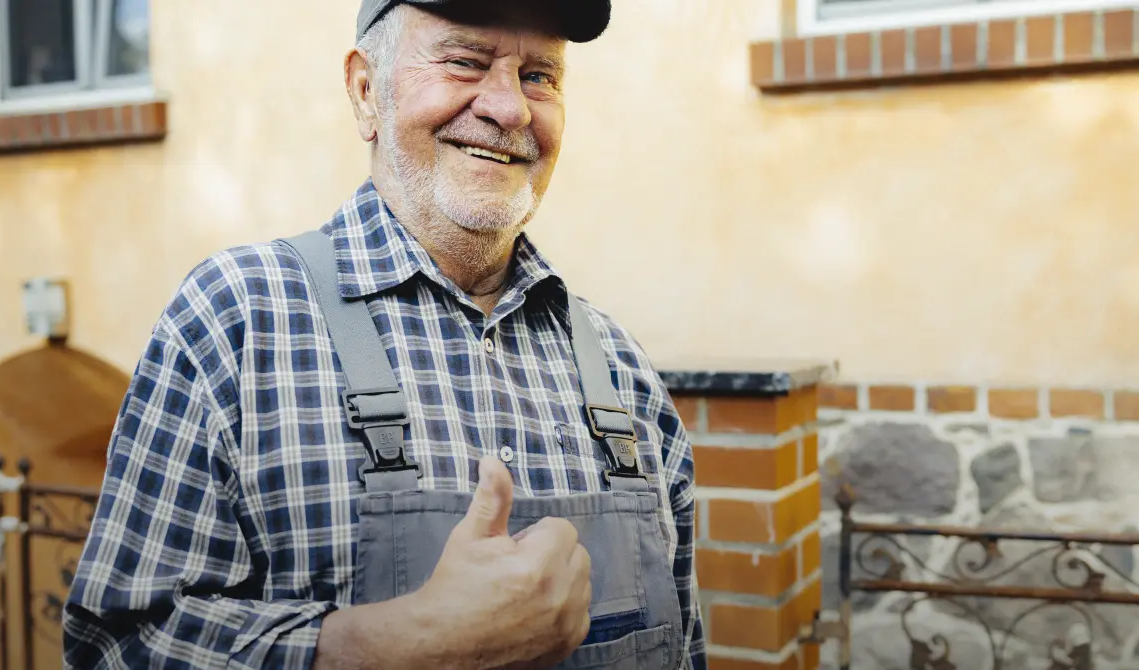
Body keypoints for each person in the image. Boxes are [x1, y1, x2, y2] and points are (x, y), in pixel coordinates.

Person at [63, 1, 704, 668]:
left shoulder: (622, 371)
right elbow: (118, 645)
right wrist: (409, 644)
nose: (510, 109)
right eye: (465, 62)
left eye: (540, 76)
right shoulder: (235, 322)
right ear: (365, 92)